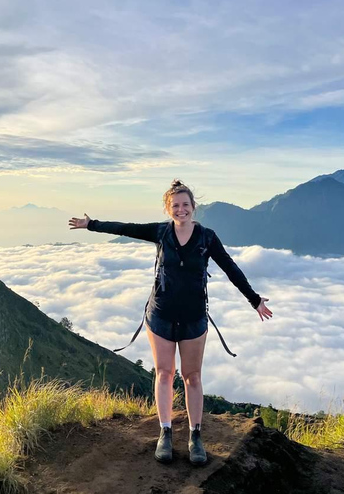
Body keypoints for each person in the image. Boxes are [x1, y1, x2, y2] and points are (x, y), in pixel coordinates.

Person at [68, 179, 272, 466]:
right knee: (164, 373)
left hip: (193, 318)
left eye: (186, 205)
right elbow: (125, 228)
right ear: (168, 209)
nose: (181, 209)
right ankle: (165, 432)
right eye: (175, 205)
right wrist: (92, 225)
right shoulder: (161, 232)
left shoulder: (207, 237)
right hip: (160, 315)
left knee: (193, 377)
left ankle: (195, 435)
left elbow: (231, 268)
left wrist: (255, 300)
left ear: (193, 207)